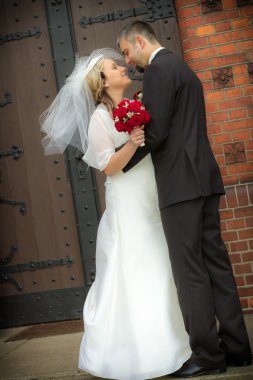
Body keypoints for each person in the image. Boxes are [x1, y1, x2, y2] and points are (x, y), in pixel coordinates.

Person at [40, 48, 191, 380]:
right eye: (114, 66)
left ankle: (173, 343)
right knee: (137, 270)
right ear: (102, 81)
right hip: (127, 204)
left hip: (150, 196)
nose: (123, 67)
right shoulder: (99, 118)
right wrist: (132, 143)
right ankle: (139, 353)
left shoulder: (133, 104)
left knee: (160, 268)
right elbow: (109, 166)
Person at [117, 21, 252, 378]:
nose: (128, 62)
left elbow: (156, 132)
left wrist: (117, 163)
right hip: (204, 179)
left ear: (141, 41)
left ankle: (207, 354)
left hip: (180, 186)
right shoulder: (183, 69)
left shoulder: (159, 71)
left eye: (127, 52)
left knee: (190, 271)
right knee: (217, 266)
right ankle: (238, 348)